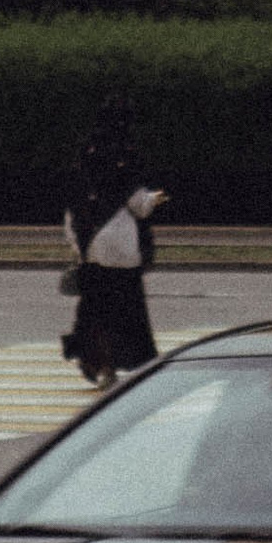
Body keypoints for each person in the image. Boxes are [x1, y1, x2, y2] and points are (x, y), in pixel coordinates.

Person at [59, 114, 167, 394]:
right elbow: (140, 206)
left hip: (90, 252)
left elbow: (72, 218)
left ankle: (100, 366)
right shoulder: (125, 169)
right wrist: (157, 197)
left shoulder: (82, 174)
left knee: (94, 314)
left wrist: (79, 251)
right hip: (121, 252)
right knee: (127, 313)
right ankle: (136, 365)